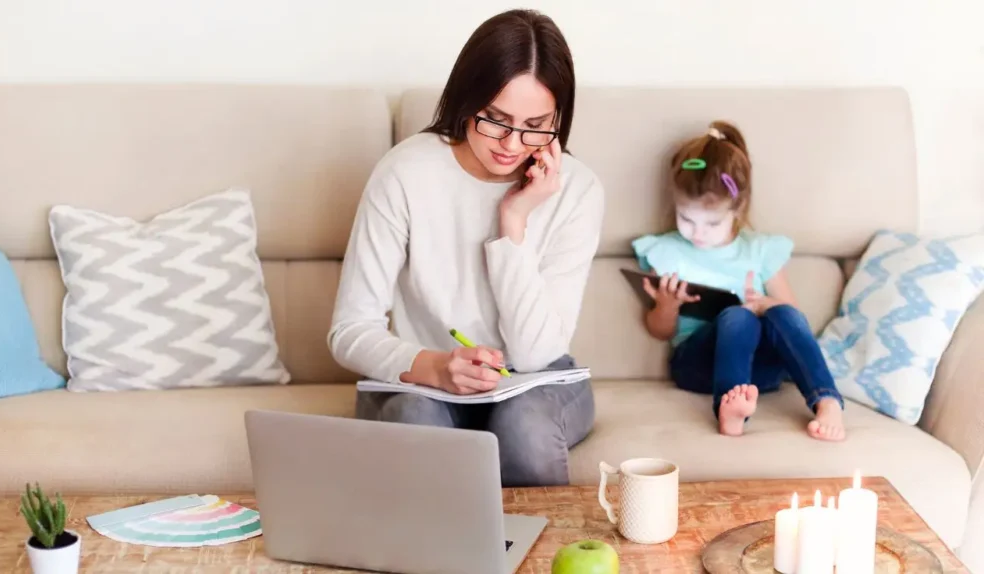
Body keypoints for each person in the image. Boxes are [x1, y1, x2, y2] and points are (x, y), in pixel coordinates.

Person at [327, 9, 605, 486]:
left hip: (533, 381)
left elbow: (535, 353)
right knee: (418, 422)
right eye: (495, 120)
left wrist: (513, 223)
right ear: (465, 99)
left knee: (525, 427)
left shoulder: (577, 190)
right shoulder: (405, 173)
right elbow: (349, 329)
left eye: (536, 125)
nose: (512, 145)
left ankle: (531, 558)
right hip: (424, 381)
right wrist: (434, 366)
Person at [632, 121, 846, 441]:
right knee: (736, 316)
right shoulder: (667, 253)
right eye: (686, 219)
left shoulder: (758, 250)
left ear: (737, 207)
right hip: (698, 367)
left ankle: (827, 400)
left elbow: (793, 318)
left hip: (762, 373)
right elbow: (660, 331)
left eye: (712, 222)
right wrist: (667, 306)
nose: (697, 233)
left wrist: (763, 304)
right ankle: (729, 410)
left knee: (777, 314)